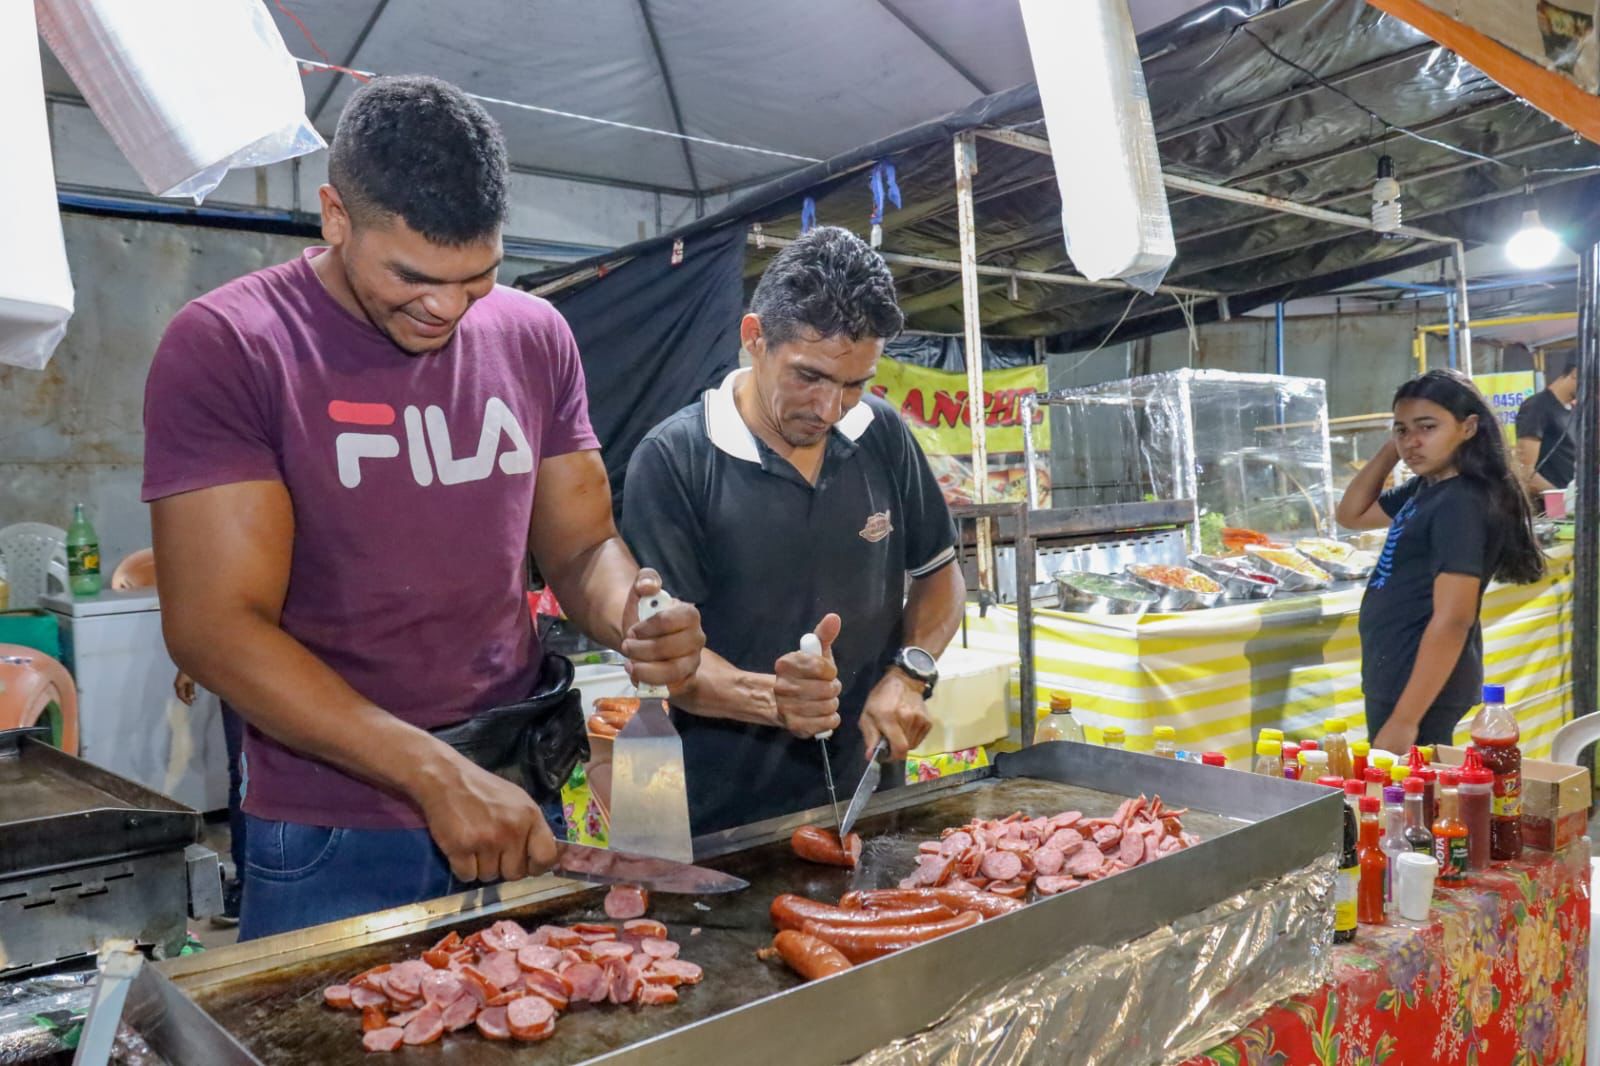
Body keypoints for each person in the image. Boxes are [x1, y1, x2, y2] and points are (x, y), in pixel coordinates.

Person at [142, 76, 705, 940]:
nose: (444, 307)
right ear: (335, 216)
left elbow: (585, 546)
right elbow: (216, 627)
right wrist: (432, 772)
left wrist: (637, 613)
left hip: (515, 790)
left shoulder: (533, 335)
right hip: (334, 821)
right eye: (411, 276)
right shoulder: (233, 345)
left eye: (475, 277)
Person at [620, 226, 967, 835]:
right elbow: (669, 659)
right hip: (729, 816)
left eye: (855, 383)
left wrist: (909, 673)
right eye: (809, 376)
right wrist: (770, 700)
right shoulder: (676, 460)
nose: (831, 410)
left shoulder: (881, 434)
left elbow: (939, 576)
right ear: (754, 338)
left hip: (871, 791)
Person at [1336, 370, 1544, 752]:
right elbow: (1351, 514)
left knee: (1414, 802)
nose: (1412, 442)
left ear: (1468, 428)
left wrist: (1405, 720)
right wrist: (1394, 449)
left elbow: (1454, 619)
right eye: (1401, 430)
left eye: (1427, 427)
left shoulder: (1461, 502)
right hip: (1400, 670)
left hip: (1419, 684)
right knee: (1409, 801)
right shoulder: (1429, 486)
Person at [1513, 359, 1578, 508]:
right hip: (1548, 511)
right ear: (1575, 373)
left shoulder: (1573, 410)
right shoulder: (1537, 407)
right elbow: (1524, 471)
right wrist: (1562, 501)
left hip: (1570, 508)